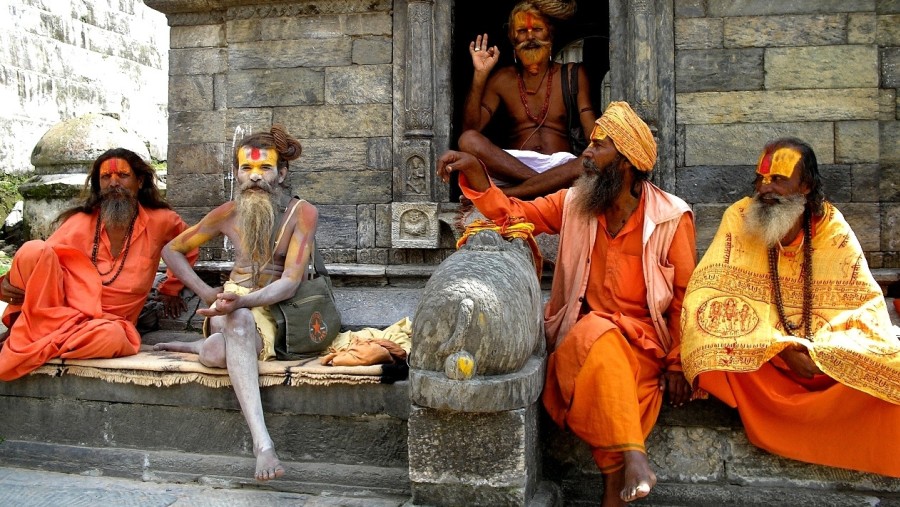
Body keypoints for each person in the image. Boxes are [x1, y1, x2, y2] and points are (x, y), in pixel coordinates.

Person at [438, 101, 697, 505]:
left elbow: (685, 298)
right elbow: (514, 213)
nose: (586, 155)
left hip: (644, 349)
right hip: (582, 341)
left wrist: (679, 362)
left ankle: (616, 485)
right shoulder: (575, 203)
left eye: (599, 147)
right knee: (597, 331)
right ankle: (635, 458)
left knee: (609, 375)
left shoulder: (671, 217)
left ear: (626, 162)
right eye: (589, 146)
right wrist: (478, 176)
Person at [681, 138, 900, 478]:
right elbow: (709, 297)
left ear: (806, 186)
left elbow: (864, 310)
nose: (765, 188)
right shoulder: (739, 218)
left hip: (822, 361)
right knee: (712, 345)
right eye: (761, 179)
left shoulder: (833, 229)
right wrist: (781, 351)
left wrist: (820, 352)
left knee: (888, 367)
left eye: (778, 179)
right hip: (764, 362)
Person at [154, 125, 318, 482]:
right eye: (247, 169)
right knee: (239, 322)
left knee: (217, 353)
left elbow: (289, 283)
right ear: (236, 173)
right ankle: (263, 445)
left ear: (282, 173)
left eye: (265, 169)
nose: (255, 177)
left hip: (277, 311)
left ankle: (203, 346)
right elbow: (171, 250)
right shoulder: (227, 212)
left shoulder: (302, 214)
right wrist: (207, 293)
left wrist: (241, 301)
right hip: (229, 308)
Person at [0, 148, 193, 381]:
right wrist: (6, 284)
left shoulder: (161, 221)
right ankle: (34, 335)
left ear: (139, 181)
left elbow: (189, 245)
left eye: (122, 176)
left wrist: (171, 287)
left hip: (107, 324)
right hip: (63, 313)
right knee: (32, 249)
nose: (113, 183)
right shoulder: (80, 221)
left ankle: (28, 340)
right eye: (105, 177)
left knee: (113, 337)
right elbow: (39, 263)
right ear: (98, 185)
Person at [459, 0, 596, 199]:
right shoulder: (502, 79)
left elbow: (590, 130)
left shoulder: (572, 74)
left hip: (562, 166)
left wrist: (599, 154)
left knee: (590, 159)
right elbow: (470, 130)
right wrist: (480, 76)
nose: (530, 37)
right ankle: (541, 186)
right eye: (522, 31)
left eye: (537, 29)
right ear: (512, 38)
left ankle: (510, 194)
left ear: (550, 33)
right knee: (467, 140)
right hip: (513, 168)